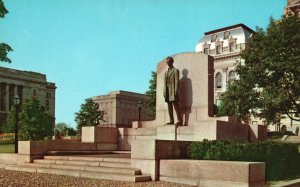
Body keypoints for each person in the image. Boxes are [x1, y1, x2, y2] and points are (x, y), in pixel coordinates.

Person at [163, 56, 182, 125]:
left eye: (169, 62)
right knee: (169, 106)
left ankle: (179, 120)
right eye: (167, 62)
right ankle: (171, 120)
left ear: (172, 62)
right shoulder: (166, 73)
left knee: (176, 105)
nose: (168, 63)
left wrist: (176, 91)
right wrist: (164, 92)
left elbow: (177, 81)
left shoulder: (175, 70)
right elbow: (165, 83)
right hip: (167, 91)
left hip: (173, 91)